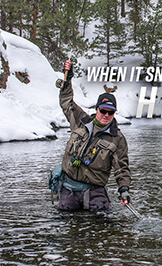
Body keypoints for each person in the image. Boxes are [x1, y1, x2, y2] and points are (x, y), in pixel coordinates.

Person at [58, 60, 131, 214]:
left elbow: (122, 168)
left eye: (110, 112)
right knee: (64, 223)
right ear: (97, 109)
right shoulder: (80, 121)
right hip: (68, 188)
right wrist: (67, 80)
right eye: (103, 110)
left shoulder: (117, 138)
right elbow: (66, 102)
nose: (106, 115)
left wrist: (124, 189)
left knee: (101, 224)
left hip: (95, 191)